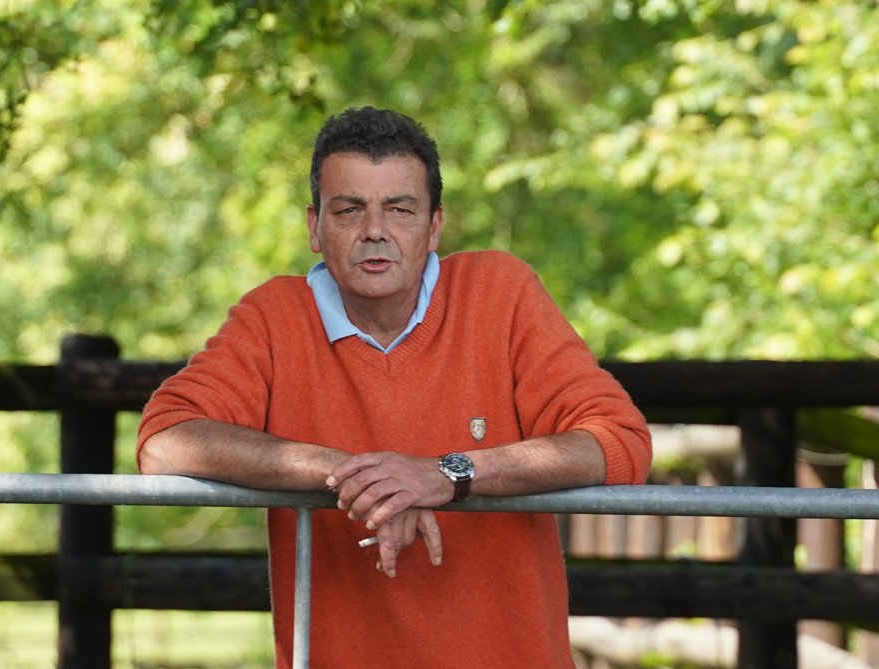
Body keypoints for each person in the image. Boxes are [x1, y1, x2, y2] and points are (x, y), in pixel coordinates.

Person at [137, 106, 652, 668]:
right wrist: (359, 475)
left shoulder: (500, 293)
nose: (375, 230)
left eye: (400, 209)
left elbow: (618, 441)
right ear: (314, 226)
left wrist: (446, 474)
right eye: (348, 209)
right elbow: (164, 442)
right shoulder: (273, 316)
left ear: (434, 226)